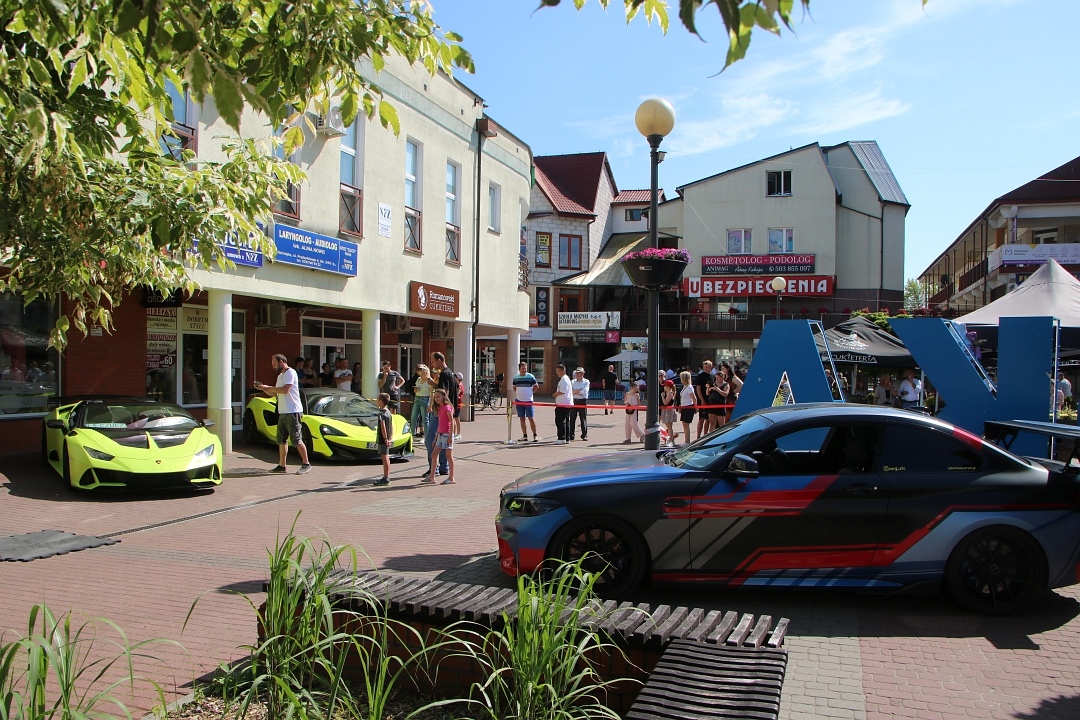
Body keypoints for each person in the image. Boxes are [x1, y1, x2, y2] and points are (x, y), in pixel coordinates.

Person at [253, 354, 311, 475]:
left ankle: (306, 463)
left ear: (281, 361)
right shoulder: (280, 376)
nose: (273, 366)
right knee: (281, 440)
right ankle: (282, 465)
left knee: (296, 439)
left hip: (293, 411)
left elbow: (285, 390)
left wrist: (268, 387)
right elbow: (276, 393)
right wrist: (263, 388)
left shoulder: (291, 373)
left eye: (274, 363)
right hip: (283, 411)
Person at [423, 352, 457, 479]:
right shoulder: (451, 373)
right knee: (441, 441)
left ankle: (434, 469)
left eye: (432, 361)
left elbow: (444, 392)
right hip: (445, 411)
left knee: (430, 439)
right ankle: (443, 467)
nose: (432, 364)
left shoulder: (444, 374)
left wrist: (434, 387)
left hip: (440, 413)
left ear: (438, 360)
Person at [424, 388, 456, 485]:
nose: (436, 399)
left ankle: (451, 477)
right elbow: (440, 424)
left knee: (449, 456)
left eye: (438, 396)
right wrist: (436, 437)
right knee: (434, 454)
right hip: (441, 434)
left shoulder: (447, 407)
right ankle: (432, 477)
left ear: (443, 396)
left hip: (447, 434)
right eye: (435, 397)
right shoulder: (439, 408)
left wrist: (450, 436)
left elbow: (452, 422)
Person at [513, 361, 539, 442]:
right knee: (522, 418)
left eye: (525, 368)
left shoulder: (530, 376)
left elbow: (536, 386)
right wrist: (518, 393)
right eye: (522, 368)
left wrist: (531, 392)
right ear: (519, 369)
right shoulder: (516, 377)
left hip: (528, 400)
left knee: (531, 418)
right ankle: (525, 435)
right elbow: (514, 387)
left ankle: (535, 435)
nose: (524, 370)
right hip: (519, 400)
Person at [373, 393, 393, 486]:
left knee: (384, 457)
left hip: (383, 439)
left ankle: (386, 477)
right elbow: (391, 427)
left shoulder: (381, 413)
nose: (376, 401)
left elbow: (383, 427)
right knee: (386, 457)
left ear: (381, 401)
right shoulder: (388, 412)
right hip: (388, 438)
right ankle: (386, 476)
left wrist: (385, 439)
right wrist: (390, 438)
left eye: (377, 399)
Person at [553, 364, 573, 444]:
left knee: (560, 421)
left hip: (563, 403)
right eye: (556, 371)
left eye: (558, 371)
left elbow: (563, 391)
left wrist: (555, 394)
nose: (557, 373)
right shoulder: (566, 379)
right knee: (566, 421)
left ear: (563, 371)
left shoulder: (564, 379)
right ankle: (567, 438)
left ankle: (561, 437)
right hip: (566, 403)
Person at [409, 365, 431, 438]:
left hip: (425, 399)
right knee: (413, 417)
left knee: (425, 419)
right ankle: (411, 434)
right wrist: (415, 390)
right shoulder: (418, 379)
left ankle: (426, 436)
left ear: (425, 372)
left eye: (421, 373)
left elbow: (432, 393)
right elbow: (415, 389)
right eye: (419, 373)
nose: (420, 375)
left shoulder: (429, 380)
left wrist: (430, 405)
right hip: (417, 398)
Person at [694, 360, 714, 439]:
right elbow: (698, 388)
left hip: (710, 400)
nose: (705, 368)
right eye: (704, 367)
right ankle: (698, 436)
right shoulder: (700, 376)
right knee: (701, 418)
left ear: (710, 367)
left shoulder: (712, 375)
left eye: (707, 367)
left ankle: (705, 436)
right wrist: (702, 400)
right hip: (703, 400)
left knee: (708, 419)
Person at [570, 367, 590, 441]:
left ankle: (584, 435)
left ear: (583, 374)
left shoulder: (586, 382)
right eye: (577, 373)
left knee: (583, 418)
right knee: (572, 418)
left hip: (582, 401)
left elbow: (584, 392)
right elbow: (570, 392)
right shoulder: (572, 382)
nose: (578, 374)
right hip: (574, 401)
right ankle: (571, 435)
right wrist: (578, 391)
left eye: (580, 373)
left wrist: (576, 391)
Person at [678, 370, 696, 445]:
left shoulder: (689, 387)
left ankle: (687, 441)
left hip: (689, 407)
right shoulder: (685, 387)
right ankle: (686, 441)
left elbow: (694, 398)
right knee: (684, 424)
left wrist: (695, 407)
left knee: (686, 424)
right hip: (684, 407)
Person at [660, 379, 678, 447]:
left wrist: (662, 396)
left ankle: (671, 440)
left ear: (668, 387)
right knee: (668, 426)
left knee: (669, 426)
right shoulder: (667, 393)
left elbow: (665, 402)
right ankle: (670, 439)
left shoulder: (670, 393)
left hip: (669, 410)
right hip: (666, 410)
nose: (664, 387)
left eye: (665, 386)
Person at [453, 371, 465, 439]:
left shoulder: (459, 386)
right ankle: (454, 433)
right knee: (454, 419)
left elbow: (457, 395)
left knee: (456, 419)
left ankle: (458, 433)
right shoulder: (460, 384)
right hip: (457, 403)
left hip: (457, 404)